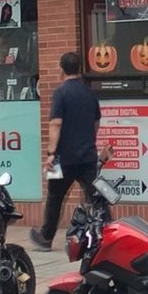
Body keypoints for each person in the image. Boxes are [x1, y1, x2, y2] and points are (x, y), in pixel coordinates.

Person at [31, 51, 102, 253]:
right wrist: (90, 140)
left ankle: (45, 238)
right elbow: (96, 122)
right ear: (79, 69)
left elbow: (55, 124)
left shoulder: (61, 93)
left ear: (61, 70)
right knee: (96, 197)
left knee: (55, 197)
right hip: (87, 156)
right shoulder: (90, 93)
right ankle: (107, 231)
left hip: (62, 158)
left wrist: (51, 153)